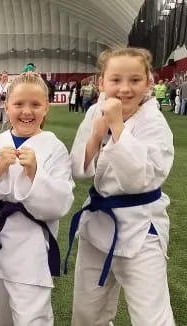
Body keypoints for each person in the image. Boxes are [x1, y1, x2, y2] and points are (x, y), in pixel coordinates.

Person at [66, 47, 175, 326]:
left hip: (141, 228)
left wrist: (116, 127)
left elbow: (139, 180)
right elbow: (78, 167)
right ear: (101, 82)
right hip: (98, 224)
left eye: (135, 80)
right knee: (87, 314)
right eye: (115, 80)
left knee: (152, 318)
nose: (125, 89)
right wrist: (97, 135)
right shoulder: (94, 111)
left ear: (148, 82)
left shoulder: (154, 122)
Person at [0, 73, 74, 325]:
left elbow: (61, 203)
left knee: (32, 319)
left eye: (35, 105)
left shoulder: (54, 148)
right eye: (19, 104)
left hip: (31, 249)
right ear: (7, 106)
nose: (27, 112)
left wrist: (35, 174)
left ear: (46, 107)